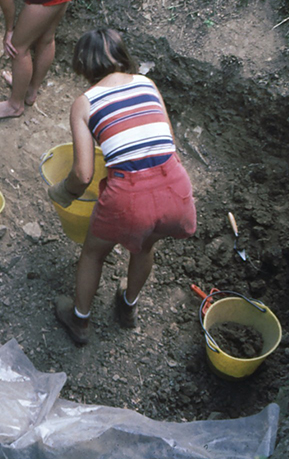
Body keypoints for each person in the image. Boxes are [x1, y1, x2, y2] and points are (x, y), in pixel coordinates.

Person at [48, 29, 197, 345]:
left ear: (83, 66)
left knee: (93, 253)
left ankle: (80, 322)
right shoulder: (146, 83)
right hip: (175, 187)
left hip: (129, 197)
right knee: (145, 246)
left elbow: (84, 173)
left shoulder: (84, 103)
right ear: (121, 55)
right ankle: (128, 307)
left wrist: (62, 192)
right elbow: (168, 142)